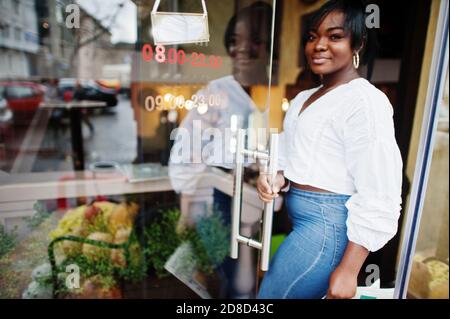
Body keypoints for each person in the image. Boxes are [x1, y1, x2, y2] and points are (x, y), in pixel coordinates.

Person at [256, 0, 403, 299]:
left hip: (326, 229)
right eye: (313, 37)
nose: (319, 45)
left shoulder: (365, 101)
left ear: (357, 44)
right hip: (302, 219)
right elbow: (288, 154)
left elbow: (381, 191)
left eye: (335, 37)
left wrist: (349, 270)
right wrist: (275, 175)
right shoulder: (303, 98)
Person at [168, 2, 273, 298]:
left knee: (246, 281)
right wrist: (186, 213)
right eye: (234, 42)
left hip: (260, 202)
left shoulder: (276, 94)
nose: (242, 49)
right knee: (233, 284)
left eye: (253, 40)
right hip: (223, 200)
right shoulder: (216, 93)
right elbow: (188, 151)